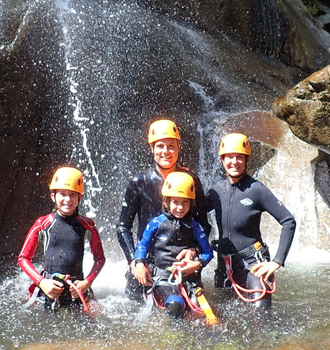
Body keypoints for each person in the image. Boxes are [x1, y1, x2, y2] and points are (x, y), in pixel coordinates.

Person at [117, 119, 210, 300]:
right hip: (146, 263)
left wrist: (195, 250)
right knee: (134, 309)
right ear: (152, 148)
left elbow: (203, 224)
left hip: (182, 263)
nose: (165, 151)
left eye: (171, 146)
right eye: (160, 146)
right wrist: (135, 262)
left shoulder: (191, 180)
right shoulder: (139, 182)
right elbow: (123, 227)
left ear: (179, 148)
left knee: (190, 312)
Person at [206, 133, 296, 309]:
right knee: (225, 317)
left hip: (253, 262)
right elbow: (194, 215)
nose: (234, 162)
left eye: (239, 157)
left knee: (260, 313)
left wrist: (277, 261)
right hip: (225, 264)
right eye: (229, 157)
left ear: (247, 160)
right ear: (222, 160)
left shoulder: (256, 190)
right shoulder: (217, 190)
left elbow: (288, 221)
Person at [18, 167, 106, 311]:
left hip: (77, 291)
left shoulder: (88, 225)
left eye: (72, 195)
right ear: (53, 196)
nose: (67, 199)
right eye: (62, 194)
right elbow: (23, 258)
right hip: (48, 290)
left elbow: (100, 259)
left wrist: (86, 283)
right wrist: (42, 282)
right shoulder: (42, 224)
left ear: (80, 197)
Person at [133, 171, 213, 318]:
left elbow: (208, 252)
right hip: (164, 278)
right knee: (176, 304)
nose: (180, 207)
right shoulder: (156, 223)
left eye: (185, 202)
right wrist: (139, 263)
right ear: (166, 202)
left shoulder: (195, 226)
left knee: (198, 314)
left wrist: (197, 264)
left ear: (191, 203)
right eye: (175, 202)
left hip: (189, 279)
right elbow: (142, 245)